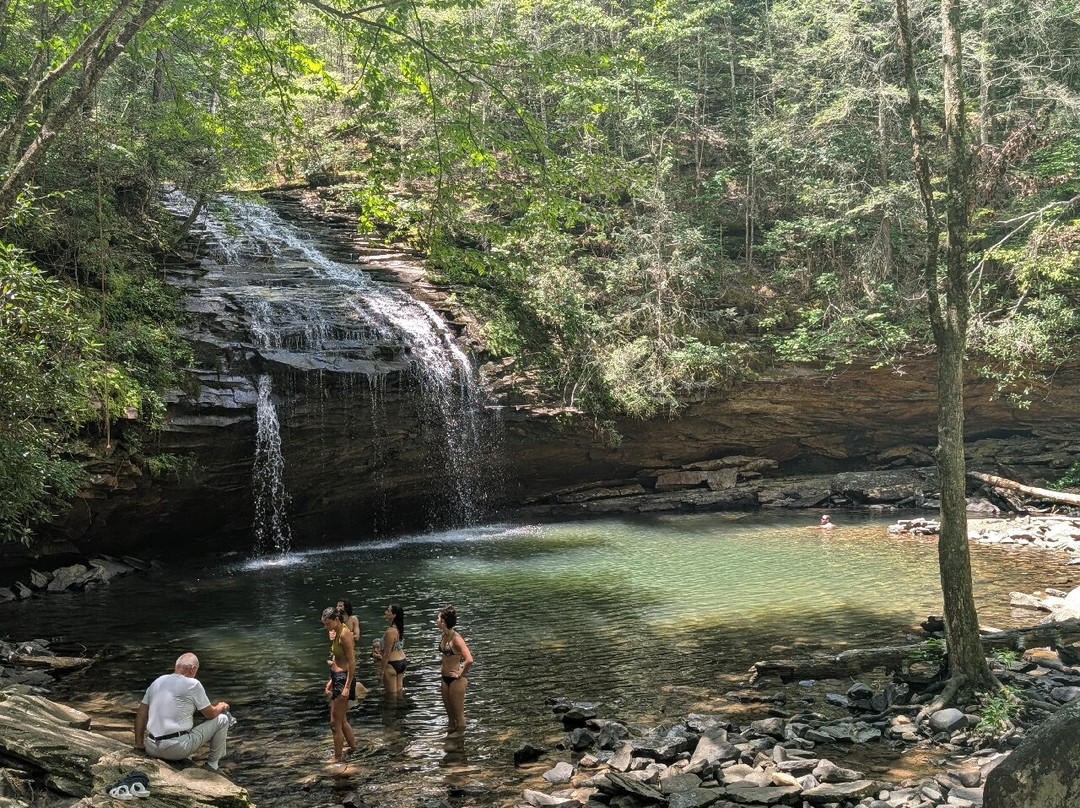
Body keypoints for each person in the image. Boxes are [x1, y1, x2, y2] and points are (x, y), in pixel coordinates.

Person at [133, 652, 232, 771]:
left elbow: (141, 713)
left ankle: (182, 755)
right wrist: (220, 707)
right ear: (193, 669)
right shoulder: (193, 684)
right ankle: (212, 765)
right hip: (175, 749)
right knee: (222, 720)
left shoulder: (158, 681)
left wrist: (139, 744)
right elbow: (210, 714)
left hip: (151, 747)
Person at [321, 606, 356, 762]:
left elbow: (351, 661)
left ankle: (337, 758)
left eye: (327, 623)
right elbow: (337, 657)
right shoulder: (335, 633)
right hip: (336, 677)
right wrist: (331, 680)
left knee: (335, 723)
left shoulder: (344, 634)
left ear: (336, 620)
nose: (325, 626)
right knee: (342, 720)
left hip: (343, 679)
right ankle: (354, 748)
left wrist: (347, 687)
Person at [436, 605, 473, 733]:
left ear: (443, 622)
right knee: (450, 717)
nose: (436, 620)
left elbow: (469, 659)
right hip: (445, 678)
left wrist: (460, 673)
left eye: (438, 618)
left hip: (456, 680)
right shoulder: (444, 635)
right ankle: (450, 741)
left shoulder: (456, 639)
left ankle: (460, 740)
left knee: (459, 716)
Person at [372, 604, 407, 696]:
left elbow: (387, 654)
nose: (385, 612)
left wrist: (382, 671)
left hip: (392, 663)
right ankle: (402, 708)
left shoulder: (390, 631)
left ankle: (392, 710)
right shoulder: (399, 628)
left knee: (391, 695)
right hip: (402, 661)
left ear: (394, 615)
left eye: (388, 611)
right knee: (399, 692)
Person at [336, 599, 367, 698]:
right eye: (337, 606)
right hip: (340, 650)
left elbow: (357, 636)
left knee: (351, 669)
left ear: (346, 607)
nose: (338, 608)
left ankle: (351, 689)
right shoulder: (337, 620)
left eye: (340, 606)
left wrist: (347, 635)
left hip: (352, 649)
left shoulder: (353, 619)